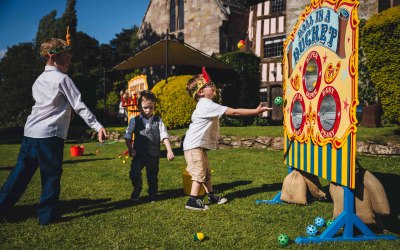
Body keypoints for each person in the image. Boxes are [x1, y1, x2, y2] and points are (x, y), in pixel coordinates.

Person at [0, 37, 108, 225]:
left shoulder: (39, 80)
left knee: (20, 174)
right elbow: (78, 105)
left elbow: (50, 105)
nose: (69, 61)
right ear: (53, 57)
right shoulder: (63, 79)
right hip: (49, 136)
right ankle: (47, 217)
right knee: (50, 176)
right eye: (66, 57)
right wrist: (98, 126)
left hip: (30, 133)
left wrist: (65, 112)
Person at [183, 67, 273, 210]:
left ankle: (211, 196)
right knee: (200, 173)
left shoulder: (206, 104)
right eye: (209, 85)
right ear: (200, 92)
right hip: (193, 146)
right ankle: (192, 201)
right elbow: (235, 112)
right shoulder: (206, 104)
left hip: (196, 145)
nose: (213, 86)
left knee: (206, 172)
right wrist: (256, 112)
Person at [124, 90, 174, 202]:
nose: (148, 110)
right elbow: (127, 137)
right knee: (134, 173)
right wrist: (130, 148)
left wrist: (169, 150)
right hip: (139, 154)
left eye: (151, 108)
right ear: (139, 107)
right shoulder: (134, 121)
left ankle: (152, 193)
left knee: (152, 176)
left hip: (153, 154)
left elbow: (164, 136)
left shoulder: (158, 121)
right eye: (145, 107)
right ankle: (137, 187)